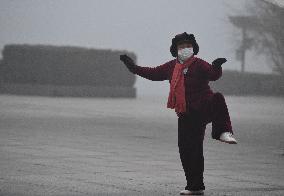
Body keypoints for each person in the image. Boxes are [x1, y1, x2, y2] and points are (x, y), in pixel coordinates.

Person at [120, 32, 237, 195]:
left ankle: (223, 132)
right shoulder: (170, 67)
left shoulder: (199, 64)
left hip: (204, 106)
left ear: (194, 48)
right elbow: (152, 73)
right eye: (181, 47)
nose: (185, 49)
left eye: (188, 46)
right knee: (188, 150)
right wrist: (132, 67)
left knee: (218, 98)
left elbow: (212, 75)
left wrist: (217, 66)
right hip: (186, 114)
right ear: (175, 50)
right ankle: (195, 186)